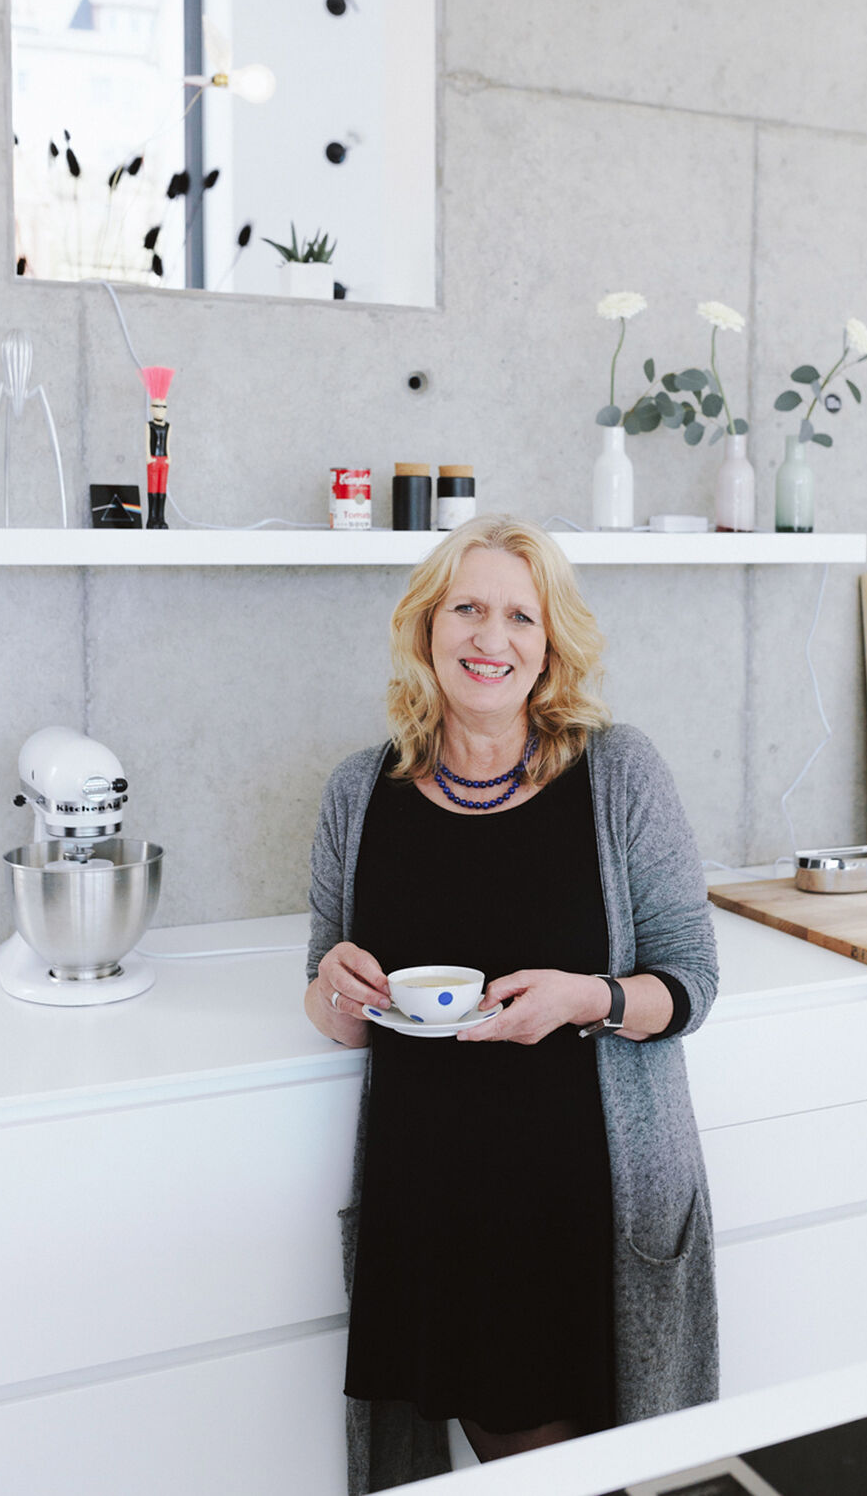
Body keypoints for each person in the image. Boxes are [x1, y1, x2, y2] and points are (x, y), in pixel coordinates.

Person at [304, 514, 718, 1495]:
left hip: (586, 1207)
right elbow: (327, 990)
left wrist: (588, 998)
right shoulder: (358, 793)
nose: (492, 640)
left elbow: (690, 980)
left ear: (551, 644)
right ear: (428, 629)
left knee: (607, 1468)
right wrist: (337, 991)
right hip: (438, 1212)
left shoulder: (620, 774)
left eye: (521, 618)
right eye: (470, 610)